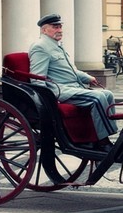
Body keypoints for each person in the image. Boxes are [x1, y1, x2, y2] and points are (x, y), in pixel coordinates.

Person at [29, 13, 118, 152]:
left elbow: (72, 70)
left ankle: (98, 136)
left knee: (107, 94)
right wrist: (45, 101)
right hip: (60, 90)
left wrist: (88, 77)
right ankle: (103, 141)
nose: (59, 30)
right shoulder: (40, 47)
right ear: (44, 30)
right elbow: (37, 77)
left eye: (60, 26)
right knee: (98, 97)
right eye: (55, 27)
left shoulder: (57, 45)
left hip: (74, 86)